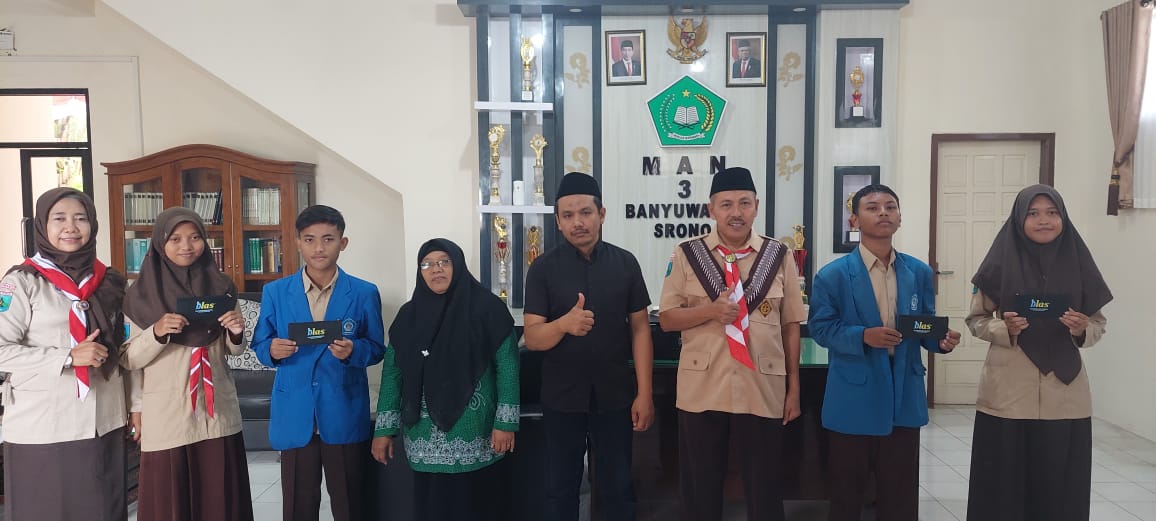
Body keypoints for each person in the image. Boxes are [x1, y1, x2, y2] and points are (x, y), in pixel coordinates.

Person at [807, 184, 961, 521]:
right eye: (873, 207)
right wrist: (863, 336)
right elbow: (820, 328)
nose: (883, 213)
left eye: (890, 207)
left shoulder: (918, 272)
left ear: (900, 218)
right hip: (854, 396)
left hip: (904, 395)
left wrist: (940, 341)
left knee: (900, 496)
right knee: (847, 496)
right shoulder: (833, 276)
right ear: (854, 220)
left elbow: (923, 326)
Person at [659, 166, 804, 521]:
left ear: (756, 206)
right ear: (711, 209)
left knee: (765, 488)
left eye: (744, 203)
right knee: (700, 489)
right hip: (702, 387)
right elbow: (667, 319)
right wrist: (710, 311)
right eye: (726, 204)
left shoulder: (778, 255)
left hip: (762, 385)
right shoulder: (686, 254)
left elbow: (790, 324)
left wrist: (794, 389)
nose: (735, 212)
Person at [965, 185, 1111, 521]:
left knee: (1059, 486)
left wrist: (1081, 328)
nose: (1043, 220)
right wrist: (1005, 328)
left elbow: (1098, 324)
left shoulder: (1079, 262)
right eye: (1033, 213)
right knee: (1005, 485)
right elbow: (976, 320)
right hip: (1009, 392)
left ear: (1063, 217)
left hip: (1065, 392)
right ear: (1019, 219)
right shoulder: (998, 263)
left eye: (1051, 213)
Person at [524, 172, 654, 521]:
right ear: (557, 221)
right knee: (560, 488)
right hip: (561, 397)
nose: (577, 222)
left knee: (618, 487)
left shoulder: (625, 263)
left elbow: (640, 329)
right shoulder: (542, 269)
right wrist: (563, 324)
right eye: (568, 215)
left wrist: (644, 394)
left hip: (615, 396)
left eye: (585, 212)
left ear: (602, 214)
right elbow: (533, 338)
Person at [0, 187, 130, 521]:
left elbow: (126, 349)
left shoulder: (110, 281)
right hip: (42, 426)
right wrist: (68, 356)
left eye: (80, 218)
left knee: (102, 510)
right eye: (59, 219)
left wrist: (137, 405)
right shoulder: (20, 282)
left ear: (93, 224)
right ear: (42, 226)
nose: (70, 227)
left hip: (104, 420)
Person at [252, 205, 386, 521]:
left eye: (328, 239)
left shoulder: (364, 292)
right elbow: (260, 344)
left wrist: (353, 351)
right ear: (297, 242)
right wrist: (272, 350)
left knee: (350, 502)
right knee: (298, 504)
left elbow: (377, 348)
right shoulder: (275, 292)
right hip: (295, 412)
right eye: (310, 239)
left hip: (343, 409)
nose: (319, 248)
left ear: (343, 242)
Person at [120, 207, 254, 521]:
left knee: (221, 500)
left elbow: (232, 350)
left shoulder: (222, 287)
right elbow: (127, 357)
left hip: (216, 412)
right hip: (169, 416)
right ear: (159, 243)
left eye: (195, 237)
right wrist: (156, 332)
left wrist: (236, 332)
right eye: (176, 239)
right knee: (171, 503)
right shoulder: (139, 296)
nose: (187, 246)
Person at [372, 238, 520, 521]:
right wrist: (383, 431)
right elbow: (392, 373)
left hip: (476, 433)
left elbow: (508, 366)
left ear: (458, 265)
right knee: (432, 507)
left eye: (444, 262)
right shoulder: (408, 316)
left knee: (476, 506)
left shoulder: (487, 309)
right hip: (423, 438)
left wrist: (505, 423)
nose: (436, 269)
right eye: (427, 264)